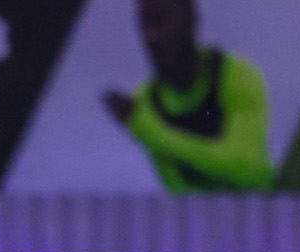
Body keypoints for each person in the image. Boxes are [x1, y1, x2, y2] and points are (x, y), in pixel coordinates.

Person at [102, 0, 272, 193]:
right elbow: (180, 192)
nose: (151, 37)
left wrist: (145, 127)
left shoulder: (235, 76)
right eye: (144, 24)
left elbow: (250, 171)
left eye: (160, 21)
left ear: (191, 19)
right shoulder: (144, 101)